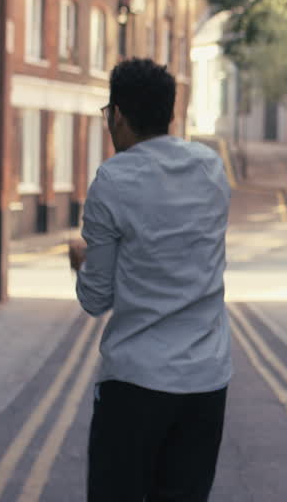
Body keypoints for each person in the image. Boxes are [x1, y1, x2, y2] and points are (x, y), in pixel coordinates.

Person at [68, 57, 232, 502]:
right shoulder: (210, 169)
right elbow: (176, 252)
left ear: (117, 115)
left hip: (135, 383)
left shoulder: (112, 180)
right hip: (204, 382)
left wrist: (82, 262)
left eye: (108, 115)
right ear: (170, 114)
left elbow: (96, 299)